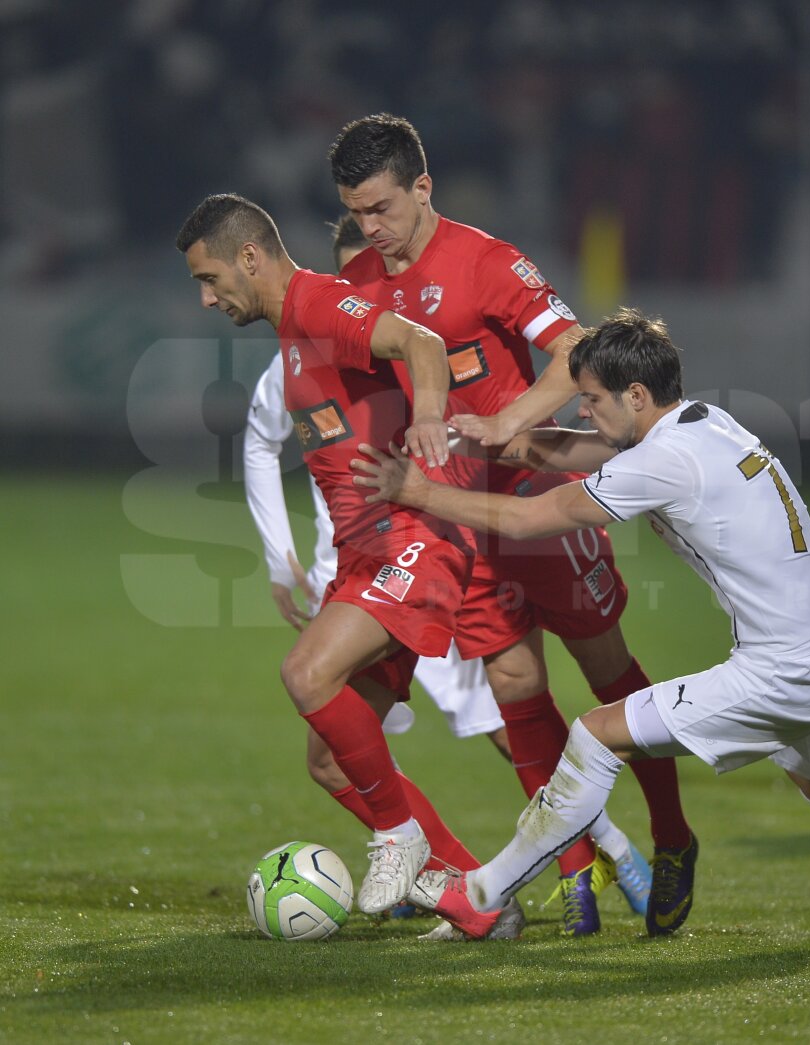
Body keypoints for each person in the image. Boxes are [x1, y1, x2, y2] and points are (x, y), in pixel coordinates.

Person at [350, 307, 810, 945]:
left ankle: (480, 894)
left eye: (590, 399)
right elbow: (600, 450)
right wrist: (520, 442)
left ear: (637, 395)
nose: (583, 411)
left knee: (595, 737)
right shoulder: (706, 421)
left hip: (786, 668)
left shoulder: (664, 461)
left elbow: (533, 517)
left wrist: (418, 493)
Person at [327, 114, 690, 936]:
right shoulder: (357, 275)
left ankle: (672, 834)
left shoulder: (486, 260)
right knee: (517, 692)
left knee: (607, 672)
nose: (371, 230)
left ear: (423, 187)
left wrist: (508, 420)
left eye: (383, 208)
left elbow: (576, 348)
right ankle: (575, 871)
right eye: (357, 213)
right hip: (458, 520)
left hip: (538, 501)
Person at [244, 214, 656, 933]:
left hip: (439, 540)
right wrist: (287, 556)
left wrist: (597, 446)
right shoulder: (302, 354)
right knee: (346, 753)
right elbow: (261, 440)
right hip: (379, 563)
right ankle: (474, 899)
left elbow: (454, 368)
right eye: (356, 282)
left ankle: (625, 844)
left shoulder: (388, 330)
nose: (369, 293)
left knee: (530, 700)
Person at [175, 192, 521, 940]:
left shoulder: (322, 303)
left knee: (305, 673)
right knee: (332, 763)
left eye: (209, 278)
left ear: (249, 257)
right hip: (367, 555)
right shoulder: (292, 335)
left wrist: (430, 417)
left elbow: (424, 342)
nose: (207, 298)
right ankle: (479, 899)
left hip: (415, 540)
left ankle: (398, 836)